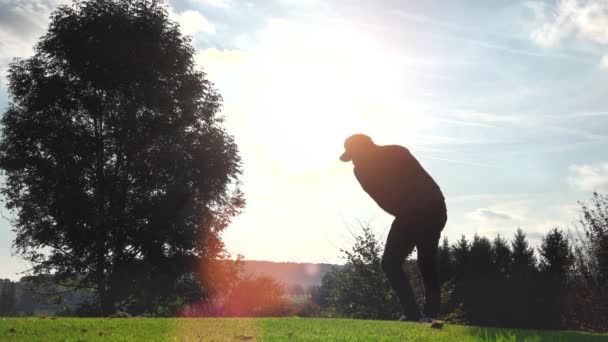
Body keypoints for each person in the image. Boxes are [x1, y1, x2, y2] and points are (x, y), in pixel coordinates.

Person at [339, 133, 447, 323]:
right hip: (434, 208)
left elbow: (387, 199)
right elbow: (386, 199)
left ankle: (415, 314)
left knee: (392, 263)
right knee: (425, 262)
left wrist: (406, 211)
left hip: (420, 211)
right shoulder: (396, 152)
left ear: (363, 149)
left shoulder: (368, 167)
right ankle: (430, 314)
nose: (354, 161)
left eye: (354, 155)